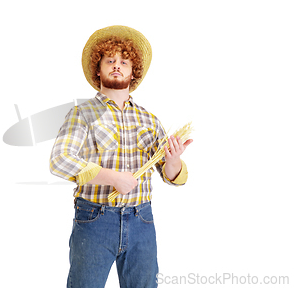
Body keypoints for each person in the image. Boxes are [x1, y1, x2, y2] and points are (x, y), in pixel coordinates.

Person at [49, 25, 193, 288]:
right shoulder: (82, 114)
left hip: (142, 220)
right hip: (94, 220)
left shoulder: (148, 119)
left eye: (124, 61)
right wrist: (112, 178)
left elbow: (171, 176)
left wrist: (173, 159)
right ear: (99, 68)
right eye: (110, 60)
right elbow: (60, 160)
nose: (117, 66)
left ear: (133, 71)